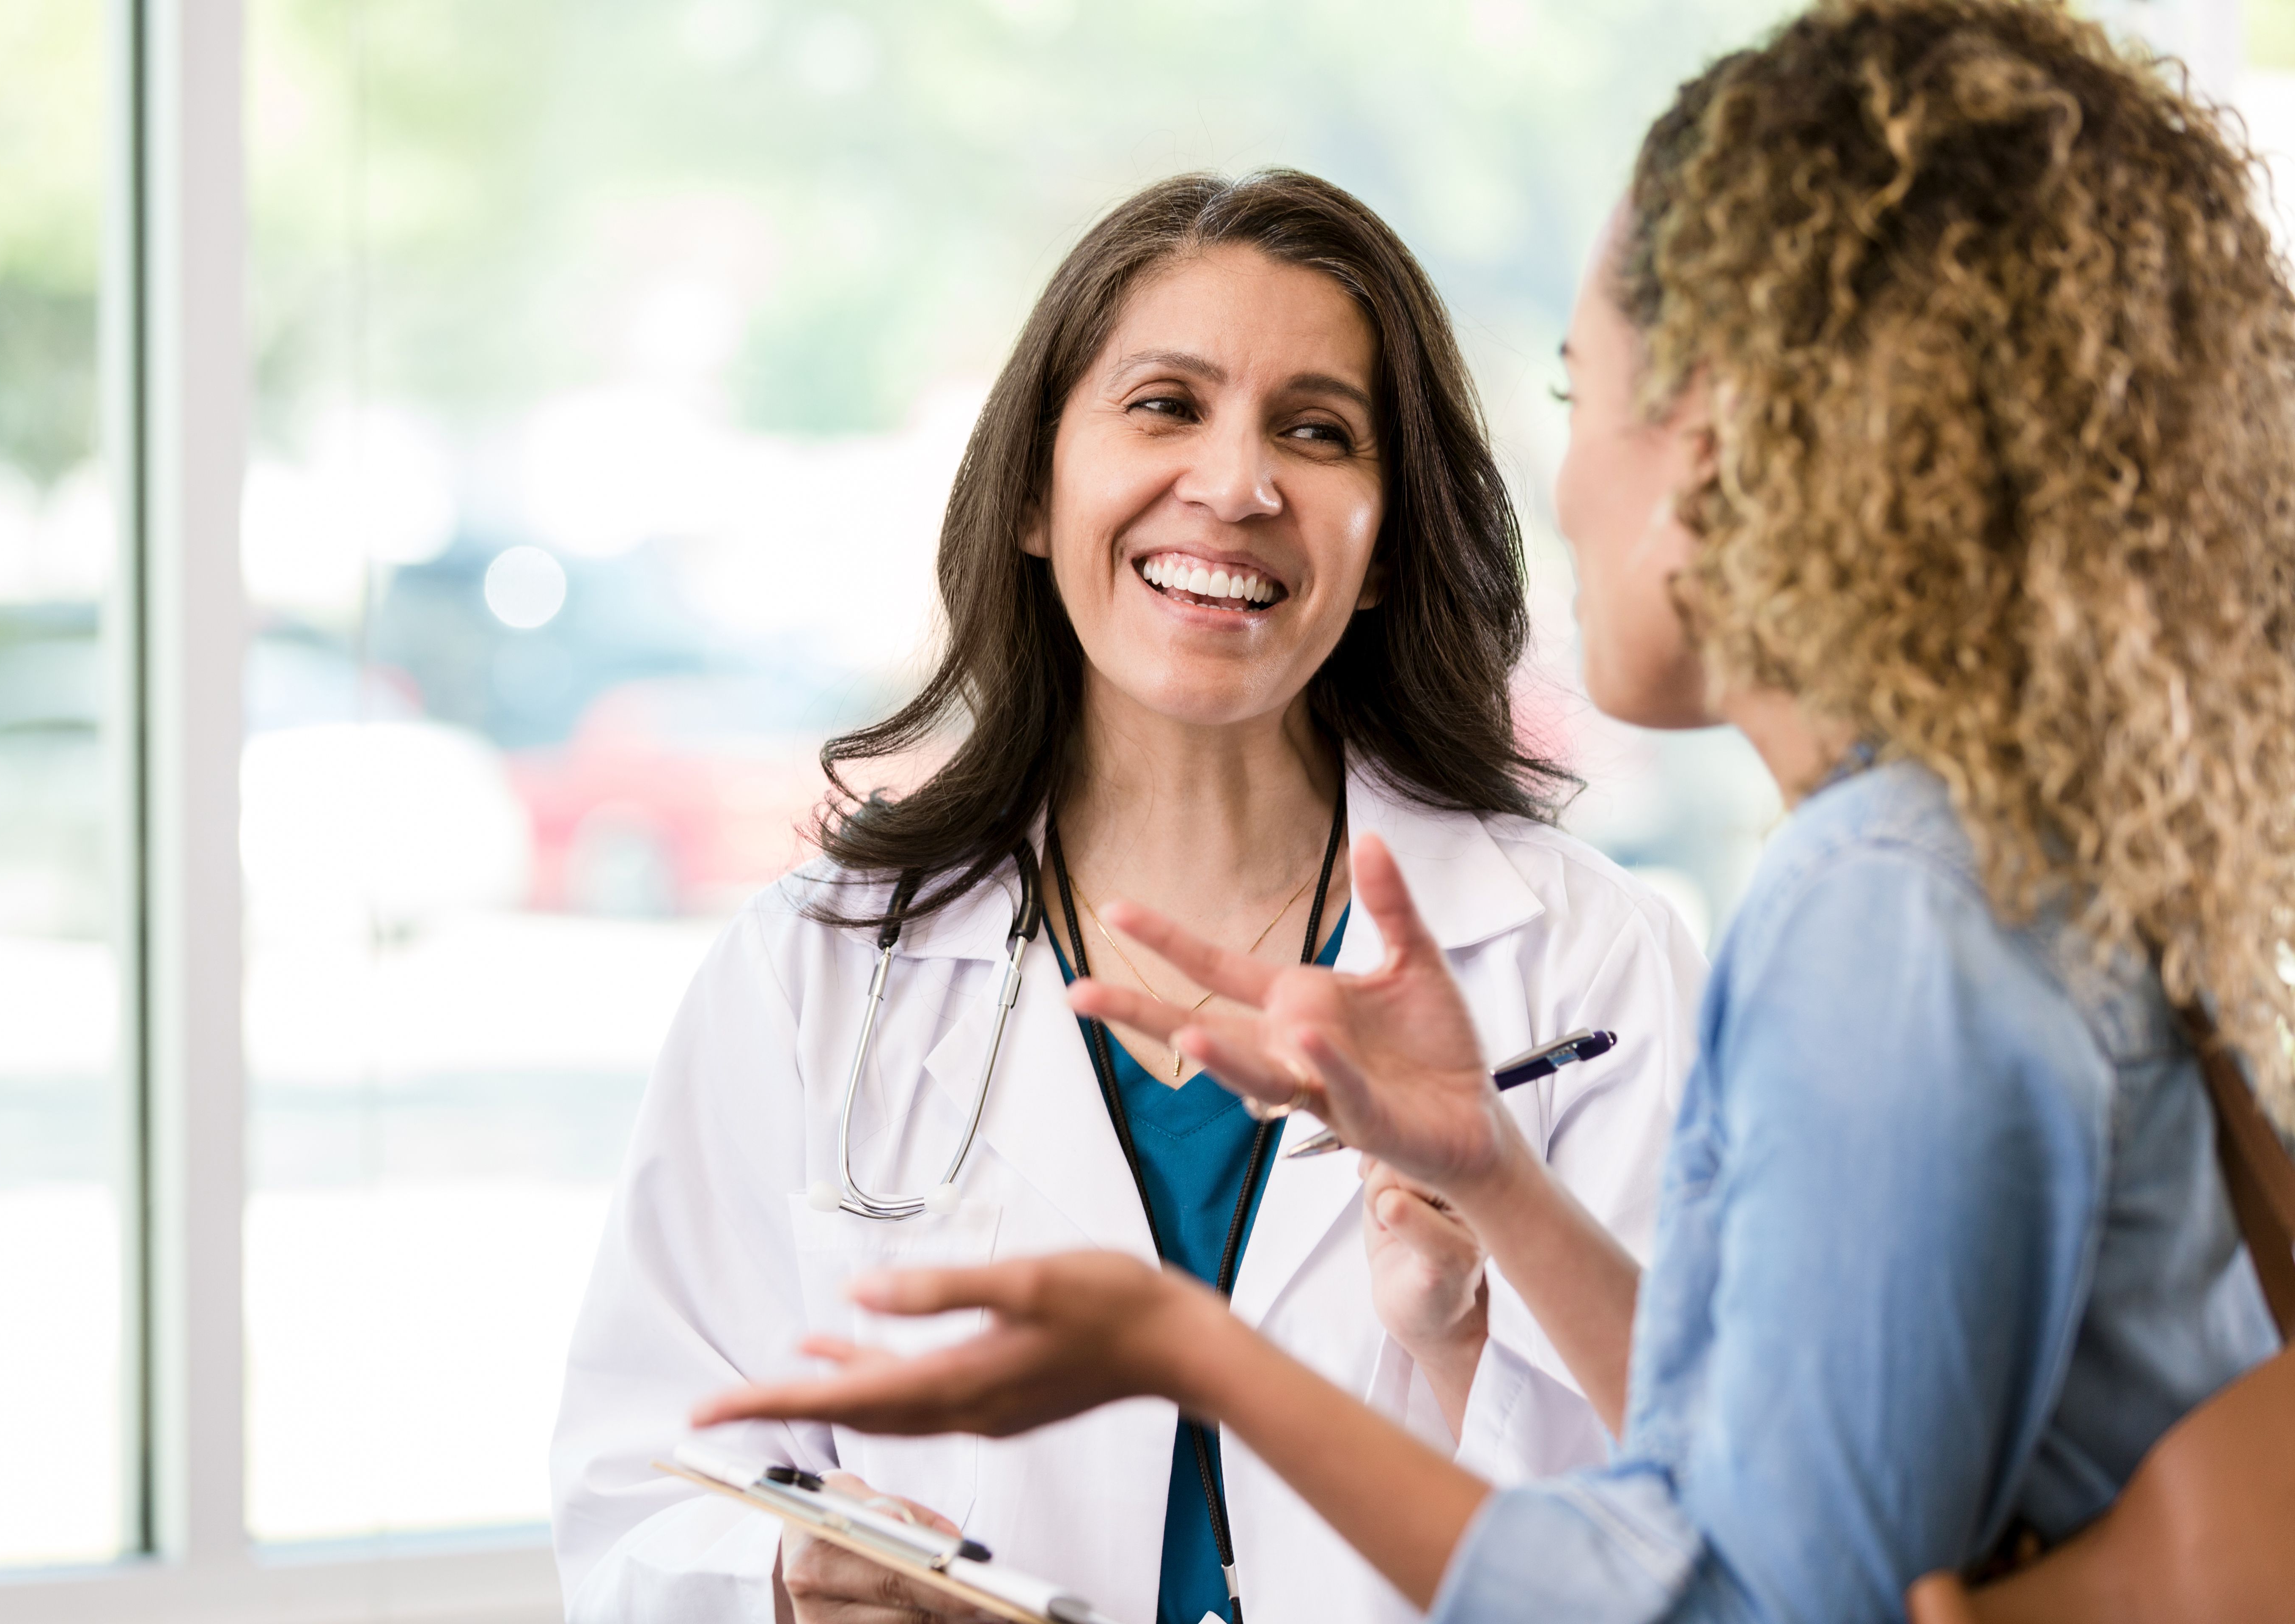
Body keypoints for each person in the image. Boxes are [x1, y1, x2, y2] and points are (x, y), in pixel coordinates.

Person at [693, 4, 2295, 1621]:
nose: (1570, 489)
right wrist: (1505, 1191)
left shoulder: (1883, 902)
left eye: (1582, 397)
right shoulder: (1963, 866)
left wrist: (1195, 1354)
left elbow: (1749, 1599)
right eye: (1163, 407)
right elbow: (1755, 1484)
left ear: (1724, 451)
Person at [550, 170, 1707, 1624]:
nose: (1235, 485)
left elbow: (1705, 1526)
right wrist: (783, 1582)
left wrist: (1465, 1342)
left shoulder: (1587, 968)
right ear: (1037, 493)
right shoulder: (819, 969)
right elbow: (635, 1490)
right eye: (1165, 406)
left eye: (1317, 431)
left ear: (1384, 549)